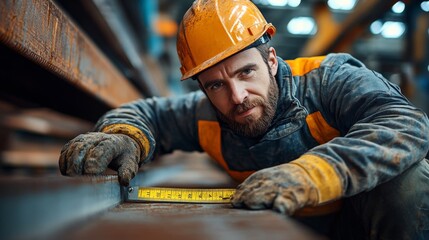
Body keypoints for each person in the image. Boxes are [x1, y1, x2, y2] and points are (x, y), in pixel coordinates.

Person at [59, 0, 429, 239]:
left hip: (358, 222)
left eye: (246, 73)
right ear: (203, 89)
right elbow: (148, 114)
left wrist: (313, 173)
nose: (236, 97)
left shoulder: (328, 80)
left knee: (407, 182)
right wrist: (125, 135)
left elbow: (404, 124)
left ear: (270, 60)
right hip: (282, 229)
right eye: (217, 85)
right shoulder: (206, 116)